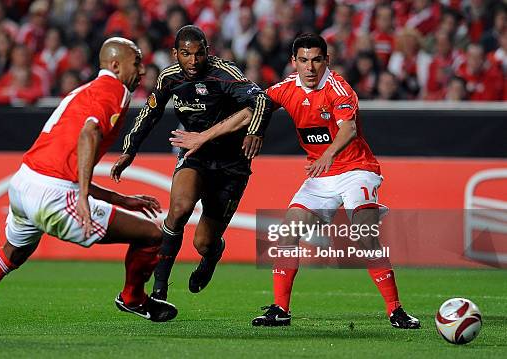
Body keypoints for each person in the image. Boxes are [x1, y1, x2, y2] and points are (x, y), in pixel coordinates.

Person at [0, 37, 177, 336]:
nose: (142, 70)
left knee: (10, 255)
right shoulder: (114, 90)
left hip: (24, 183)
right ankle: (132, 298)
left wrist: (121, 199)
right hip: (53, 196)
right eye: (137, 62)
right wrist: (82, 196)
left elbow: (67, 163)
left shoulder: (84, 91)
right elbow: (88, 134)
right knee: (153, 236)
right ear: (116, 65)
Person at [169, 33, 420, 329]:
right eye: (303, 60)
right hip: (321, 176)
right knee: (287, 233)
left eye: (315, 60)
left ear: (326, 60)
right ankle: (280, 309)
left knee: (364, 233)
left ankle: (396, 310)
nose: (310, 67)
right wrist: (205, 136)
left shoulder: (339, 88)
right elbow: (252, 110)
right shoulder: (286, 88)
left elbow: (348, 129)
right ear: (294, 62)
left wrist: (328, 155)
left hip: (355, 169)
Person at [110, 25, 272, 302]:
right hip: (196, 155)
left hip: (232, 163)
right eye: (186, 54)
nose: (193, 61)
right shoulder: (169, 78)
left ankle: (212, 254)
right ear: (175, 54)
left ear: (207, 52)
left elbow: (260, 100)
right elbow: (150, 113)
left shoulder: (225, 73)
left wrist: (255, 130)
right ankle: (159, 289)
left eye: (199, 54)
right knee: (179, 208)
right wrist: (129, 150)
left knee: (203, 242)